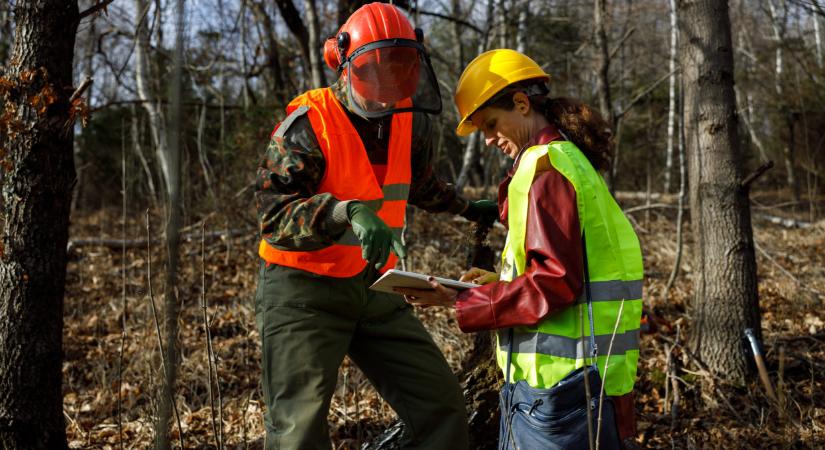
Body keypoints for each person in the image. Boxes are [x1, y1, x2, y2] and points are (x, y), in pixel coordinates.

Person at [253, 3, 496, 449]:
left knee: (441, 407)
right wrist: (345, 211)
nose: (385, 92)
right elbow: (273, 217)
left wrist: (467, 208)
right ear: (344, 65)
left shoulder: (407, 119)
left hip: (374, 284)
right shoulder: (308, 127)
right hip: (301, 290)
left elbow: (417, 183)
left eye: (398, 73)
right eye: (373, 73)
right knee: (297, 435)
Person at [397, 49, 644, 450]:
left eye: (491, 125)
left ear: (521, 103)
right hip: (585, 391)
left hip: (561, 399)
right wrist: (499, 283)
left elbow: (555, 284)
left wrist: (465, 301)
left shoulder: (545, 171)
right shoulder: (567, 159)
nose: (490, 139)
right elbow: (569, 274)